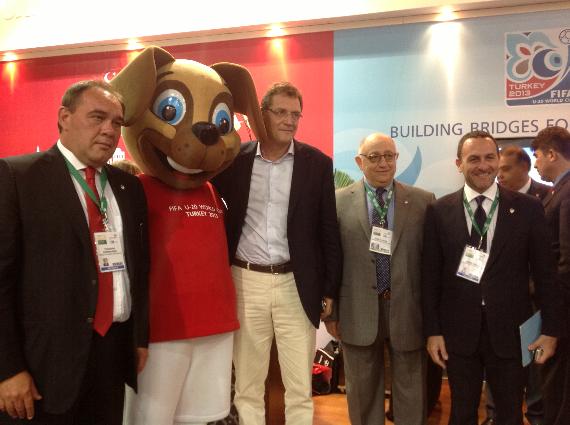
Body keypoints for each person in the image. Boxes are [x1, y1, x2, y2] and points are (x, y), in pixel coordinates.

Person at [0, 80, 149, 425]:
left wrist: (139, 337)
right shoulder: (18, 176)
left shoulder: (128, 187)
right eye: (97, 117)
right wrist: (7, 369)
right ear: (64, 117)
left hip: (111, 355)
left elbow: (140, 270)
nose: (109, 130)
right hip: (43, 366)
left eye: (116, 122)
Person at [213, 82, 341, 424]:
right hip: (245, 281)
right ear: (262, 114)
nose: (289, 120)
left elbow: (328, 230)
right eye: (281, 112)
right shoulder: (234, 161)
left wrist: (329, 289)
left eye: (296, 114)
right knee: (247, 386)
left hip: (295, 285)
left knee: (299, 387)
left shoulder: (317, 164)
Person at [422, 130, 563, 425]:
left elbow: (546, 275)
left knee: (510, 414)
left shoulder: (528, 208)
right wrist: (433, 331)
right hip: (458, 334)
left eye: (489, 157)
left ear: (498, 161)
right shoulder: (438, 211)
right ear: (459, 163)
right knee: (461, 414)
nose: (483, 165)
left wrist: (551, 331)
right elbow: (430, 277)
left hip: (511, 333)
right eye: (474, 159)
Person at [325, 133, 434, 425]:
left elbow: (431, 264)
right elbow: (331, 260)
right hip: (356, 308)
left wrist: (432, 316)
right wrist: (332, 313)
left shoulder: (423, 201)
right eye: (374, 157)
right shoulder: (337, 202)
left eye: (389, 156)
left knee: (411, 390)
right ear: (359, 162)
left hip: (408, 309)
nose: (383, 163)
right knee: (362, 392)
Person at [483, 144, 550, 425]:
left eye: (505, 169)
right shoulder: (490, 200)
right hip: (499, 304)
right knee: (497, 359)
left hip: (534, 304)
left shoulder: (547, 197)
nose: (499, 174)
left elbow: (548, 257)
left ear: (525, 167)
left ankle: (536, 413)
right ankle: (493, 414)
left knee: (534, 366)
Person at [532, 126, 570, 425]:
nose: (535, 164)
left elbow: (566, 261)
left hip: (562, 312)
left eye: (537, 156)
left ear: (552, 154)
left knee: (558, 388)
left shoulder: (567, 194)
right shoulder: (560, 191)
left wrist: (554, 320)